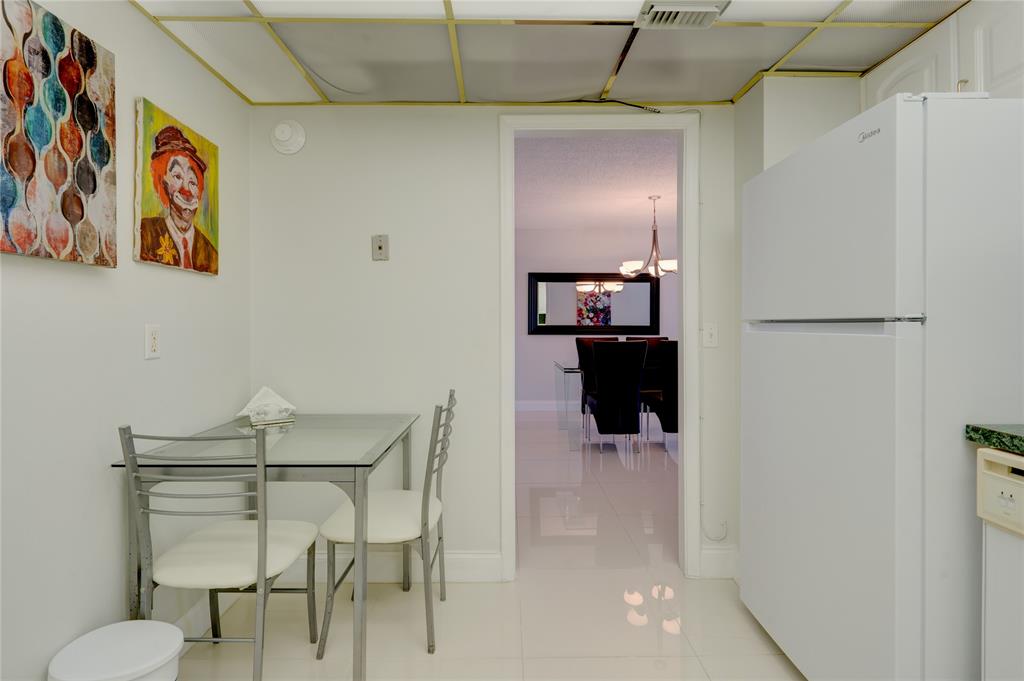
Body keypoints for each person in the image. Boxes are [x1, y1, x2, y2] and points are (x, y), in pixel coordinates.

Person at [137, 126, 217, 273]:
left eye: (192, 182)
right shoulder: (145, 233)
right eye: (178, 176)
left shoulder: (211, 254)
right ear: (163, 183)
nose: (186, 190)